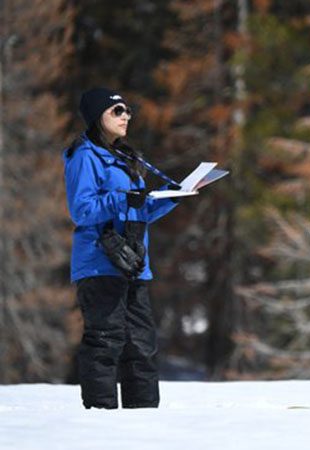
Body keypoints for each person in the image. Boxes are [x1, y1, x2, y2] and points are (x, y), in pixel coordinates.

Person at [64, 87, 179, 409]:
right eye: (117, 111)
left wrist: (172, 198)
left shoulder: (126, 156)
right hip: (100, 263)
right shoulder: (84, 155)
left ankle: (142, 420)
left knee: (142, 345)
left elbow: (136, 211)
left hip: (134, 264)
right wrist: (121, 199)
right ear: (96, 116)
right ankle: (101, 421)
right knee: (105, 341)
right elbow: (82, 209)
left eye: (127, 110)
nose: (125, 116)